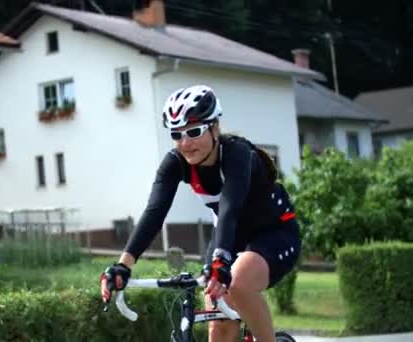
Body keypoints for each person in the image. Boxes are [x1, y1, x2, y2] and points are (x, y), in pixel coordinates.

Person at [99, 85, 301, 342]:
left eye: (194, 132)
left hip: (274, 233)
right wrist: (122, 266)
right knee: (219, 325)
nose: (185, 143)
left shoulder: (238, 154)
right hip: (229, 237)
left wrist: (220, 260)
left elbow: (229, 207)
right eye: (177, 134)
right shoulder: (175, 163)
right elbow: (154, 212)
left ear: (215, 128)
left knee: (237, 284)